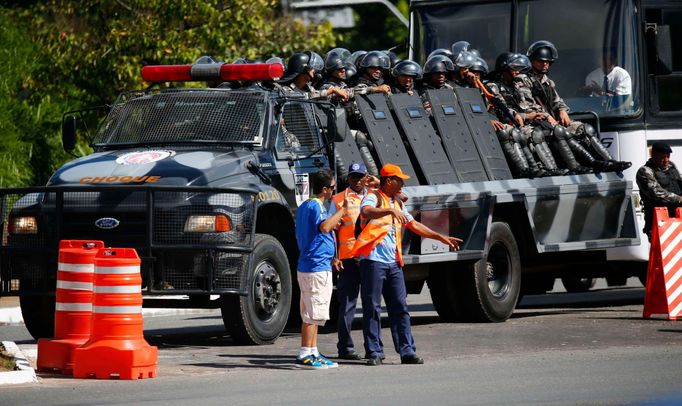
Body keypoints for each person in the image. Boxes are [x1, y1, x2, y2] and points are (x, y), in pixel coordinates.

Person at [351, 164, 462, 366]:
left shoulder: (397, 203)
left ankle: (407, 351)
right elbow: (366, 212)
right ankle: (374, 352)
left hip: (393, 264)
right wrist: (389, 211)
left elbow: (414, 225)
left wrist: (440, 237)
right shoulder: (374, 197)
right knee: (372, 308)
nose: (403, 183)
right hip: (373, 262)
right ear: (389, 181)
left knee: (400, 307)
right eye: (400, 179)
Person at [525, 40, 631, 173]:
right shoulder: (524, 80)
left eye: (548, 61)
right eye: (541, 61)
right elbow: (527, 106)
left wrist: (562, 110)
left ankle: (610, 162)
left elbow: (558, 101)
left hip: (552, 122)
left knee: (585, 129)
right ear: (532, 61)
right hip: (536, 123)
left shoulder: (548, 82)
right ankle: (582, 166)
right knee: (560, 132)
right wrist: (546, 116)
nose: (545, 64)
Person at [294, 169, 349, 369]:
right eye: (333, 188)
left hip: (313, 264)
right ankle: (305, 354)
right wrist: (342, 210)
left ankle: (313, 351)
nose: (334, 191)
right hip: (315, 267)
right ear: (324, 189)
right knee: (312, 313)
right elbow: (324, 228)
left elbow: (319, 232)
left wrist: (332, 257)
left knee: (312, 312)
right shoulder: (316, 206)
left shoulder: (305, 206)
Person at [329, 162, 373, 360]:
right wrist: (334, 255)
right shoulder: (339, 200)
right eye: (353, 177)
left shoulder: (374, 197)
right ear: (348, 179)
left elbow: (400, 196)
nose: (356, 180)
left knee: (372, 305)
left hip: (371, 258)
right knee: (347, 305)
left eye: (360, 177)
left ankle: (372, 348)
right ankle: (345, 348)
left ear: (366, 178)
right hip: (348, 259)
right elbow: (330, 230)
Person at [636, 142, 682, 240]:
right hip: (660, 222)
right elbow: (656, 193)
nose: (666, 160)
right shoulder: (645, 171)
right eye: (662, 157)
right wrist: (679, 199)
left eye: (668, 156)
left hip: (678, 217)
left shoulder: (671, 167)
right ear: (653, 155)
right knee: (663, 253)